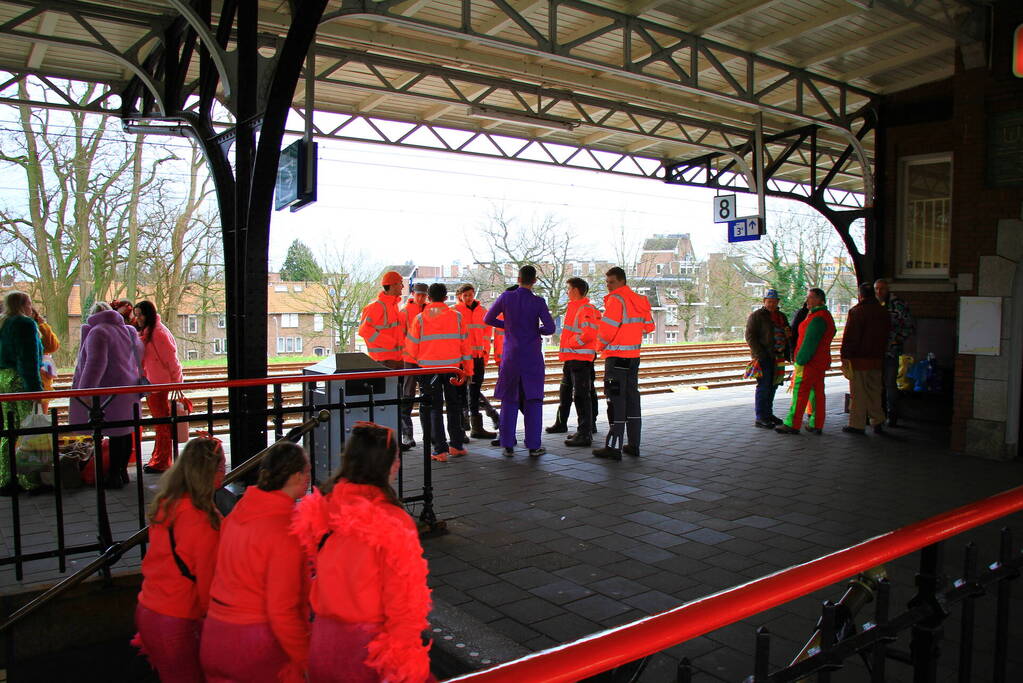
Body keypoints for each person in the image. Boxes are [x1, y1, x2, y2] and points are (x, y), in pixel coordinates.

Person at [292, 422, 433, 683]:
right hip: (368, 650)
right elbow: (403, 603)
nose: (398, 465)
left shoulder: (322, 506)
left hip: (323, 641)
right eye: (396, 459)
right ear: (384, 465)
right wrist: (407, 666)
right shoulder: (393, 520)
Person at [201, 442, 311, 683]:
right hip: (255, 644)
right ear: (296, 476)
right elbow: (282, 612)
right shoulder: (283, 532)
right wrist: (306, 662)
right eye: (307, 472)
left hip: (215, 635)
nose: (309, 479)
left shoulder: (240, 513)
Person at [134, 437, 225, 682]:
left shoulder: (167, 504)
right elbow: (208, 583)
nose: (225, 473)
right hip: (178, 619)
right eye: (221, 466)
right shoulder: (204, 521)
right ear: (208, 472)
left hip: (149, 609)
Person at [69, 300, 143, 488]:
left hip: (108, 394)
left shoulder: (98, 331)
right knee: (125, 433)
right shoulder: (128, 330)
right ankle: (122, 472)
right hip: (128, 389)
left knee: (113, 434)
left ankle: (113, 477)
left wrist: (85, 392)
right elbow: (139, 357)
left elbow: (95, 364)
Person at [484, 266, 555, 458]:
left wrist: (507, 326)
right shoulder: (538, 302)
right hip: (531, 357)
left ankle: (507, 445)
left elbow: (488, 318)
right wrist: (535, 330)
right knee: (533, 401)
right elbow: (550, 328)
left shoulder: (506, 298)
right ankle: (533, 446)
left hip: (511, 357)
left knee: (509, 400)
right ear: (535, 280)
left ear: (518, 278)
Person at [592, 267, 654, 460]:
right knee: (632, 399)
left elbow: (608, 330)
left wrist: (598, 347)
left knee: (616, 401)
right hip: (634, 357)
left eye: (610, 282)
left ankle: (613, 447)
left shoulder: (616, 300)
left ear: (620, 281)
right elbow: (649, 326)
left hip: (616, 358)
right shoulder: (640, 300)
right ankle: (634, 445)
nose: (608, 286)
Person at [405, 283, 471, 463]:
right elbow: (466, 345)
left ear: (428, 297)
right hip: (452, 369)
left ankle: (439, 450)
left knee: (433, 409)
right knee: (454, 406)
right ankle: (456, 446)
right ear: (445, 297)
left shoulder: (420, 318)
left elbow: (411, 350)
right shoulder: (457, 317)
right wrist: (468, 370)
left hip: (429, 371)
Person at [547, 278, 601, 447]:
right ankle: (574, 426)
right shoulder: (576, 307)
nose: (566, 292)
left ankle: (585, 433)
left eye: (568, 289)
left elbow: (589, 333)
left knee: (581, 395)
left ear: (576, 290)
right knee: (569, 392)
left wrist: (572, 343)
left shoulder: (584, 308)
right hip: (572, 358)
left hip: (579, 358)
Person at [0, 291, 43, 495]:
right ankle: (30, 478)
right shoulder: (25, 324)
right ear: (23, 304)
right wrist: (35, 389)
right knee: (29, 429)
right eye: (29, 303)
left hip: (3, 378)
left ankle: (6, 477)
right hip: (20, 381)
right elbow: (28, 359)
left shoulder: (3, 323)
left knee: (9, 429)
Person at [776, 288, 836, 435]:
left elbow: (810, 342)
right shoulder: (824, 316)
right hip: (820, 362)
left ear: (819, 300)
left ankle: (792, 423)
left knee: (800, 392)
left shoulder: (817, 318)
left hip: (809, 363)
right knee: (817, 393)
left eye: (810, 297)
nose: (807, 300)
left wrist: (800, 360)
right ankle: (816, 423)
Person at [134, 300, 185, 473]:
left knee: (162, 424)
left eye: (140, 314)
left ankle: (162, 461)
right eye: (136, 314)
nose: (137, 318)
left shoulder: (157, 333)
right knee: (161, 423)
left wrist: (178, 382)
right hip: (154, 382)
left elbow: (171, 360)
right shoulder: (152, 331)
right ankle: (159, 458)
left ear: (148, 314)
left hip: (158, 384)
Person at [841, 283, 891, 435]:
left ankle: (857, 424)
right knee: (875, 391)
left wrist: (845, 356)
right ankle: (878, 421)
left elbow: (851, 337)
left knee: (858, 393)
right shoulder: (883, 312)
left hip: (859, 359)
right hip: (877, 358)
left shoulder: (857, 312)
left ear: (860, 295)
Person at [454, 284, 498, 440]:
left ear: (474, 295)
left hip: (478, 357)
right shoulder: (455, 312)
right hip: (461, 359)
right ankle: (461, 430)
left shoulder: (483, 312)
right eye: (465, 295)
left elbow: (487, 335)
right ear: (460, 296)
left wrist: (485, 352)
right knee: (460, 395)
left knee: (474, 392)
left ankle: (476, 428)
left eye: (470, 295)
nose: (468, 298)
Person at [745, 289, 792, 429]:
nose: (771, 304)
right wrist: (760, 354)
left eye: (774, 302)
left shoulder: (781, 316)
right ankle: (761, 417)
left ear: (778, 302)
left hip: (778, 356)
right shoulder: (757, 316)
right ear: (764, 302)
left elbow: (787, 332)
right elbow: (750, 336)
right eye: (769, 301)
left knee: (773, 386)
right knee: (764, 386)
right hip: (764, 357)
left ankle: (768, 414)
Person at [874, 279, 915, 427]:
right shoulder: (873, 305)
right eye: (877, 289)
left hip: (891, 351)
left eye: (882, 289)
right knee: (876, 384)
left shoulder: (898, 305)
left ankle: (892, 415)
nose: (879, 292)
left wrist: (896, 340)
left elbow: (909, 327)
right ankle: (877, 415)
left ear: (888, 289)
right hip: (875, 352)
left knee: (890, 384)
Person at [398, 283, 429, 451]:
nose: (421, 298)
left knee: (425, 395)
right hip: (410, 359)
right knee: (407, 396)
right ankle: (407, 434)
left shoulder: (429, 310)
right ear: (413, 294)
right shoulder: (405, 312)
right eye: (419, 295)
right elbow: (401, 335)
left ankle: (427, 434)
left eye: (424, 295)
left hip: (425, 359)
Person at [359, 271, 406, 369]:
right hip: (384, 362)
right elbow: (364, 331)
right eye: (401, 283)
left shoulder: (393, 306)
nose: (403, 286)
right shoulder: (376, 307)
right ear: (393, 285)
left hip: (397, 361)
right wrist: (389, 343)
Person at [30, 307, 60, 413]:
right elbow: (52, 346)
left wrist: (42, 325)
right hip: (37, 380)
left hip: (41, 380)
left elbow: (52, 346)